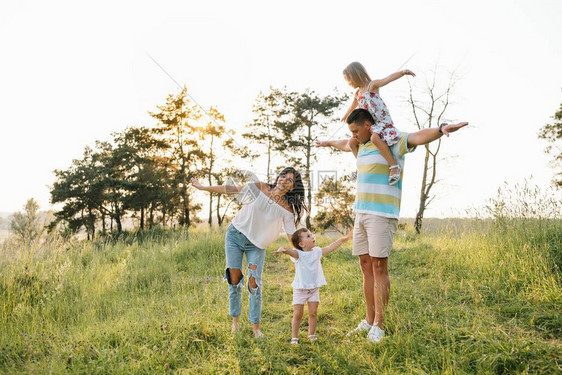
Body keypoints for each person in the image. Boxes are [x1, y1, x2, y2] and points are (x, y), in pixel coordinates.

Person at [318, 108, 468, 343]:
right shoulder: (362, 144)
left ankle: (379, 324)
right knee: (365, 265)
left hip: (382, 214)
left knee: (379, 267)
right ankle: (368, 320)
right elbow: (342, 143)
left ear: (368, 125)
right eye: (352, 133)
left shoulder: (390, 142)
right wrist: (327, 142)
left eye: (356, 131)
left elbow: (417, 136)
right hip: (361, 214)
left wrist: (441, 129)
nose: (354, 136)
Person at [190, 167, 307, 338]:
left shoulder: (288, 209)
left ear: (292, 187)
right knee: (234, 279)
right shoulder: (260, 187)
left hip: (257, 245)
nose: (284, 181)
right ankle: (235, 322)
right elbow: (230, 190)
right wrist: (202, 187)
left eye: (289, 180)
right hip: (235, 236)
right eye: (283, 176)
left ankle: (256, 327)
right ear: (278, 177)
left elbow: (291, 235)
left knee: (254, 284)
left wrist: (302, 254)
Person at [341, 61, 415, 185]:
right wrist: (346, 115)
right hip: (368, 125)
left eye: (349, 80)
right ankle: (360, 165)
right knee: (352, 141)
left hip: (381, 122)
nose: (349, 83)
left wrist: (402, 73)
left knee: (375, 138)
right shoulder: (357, 93)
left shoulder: (372, 85)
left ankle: (393, 165)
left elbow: (387, 79)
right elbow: (352, 106)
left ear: (356, 75)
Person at [274, 228, 352, 344]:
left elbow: (330, 247)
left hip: (314, 289)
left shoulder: (317, 251)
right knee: (298, 314)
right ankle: (294, 337)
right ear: (301, 244)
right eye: (308, 236)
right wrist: (284, 250)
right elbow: (291, 252)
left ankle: (311, 334)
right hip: (300, 290)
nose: (312, 236)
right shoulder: (298, 254)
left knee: (313, 313)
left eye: (311, 234)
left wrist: (342, 240)